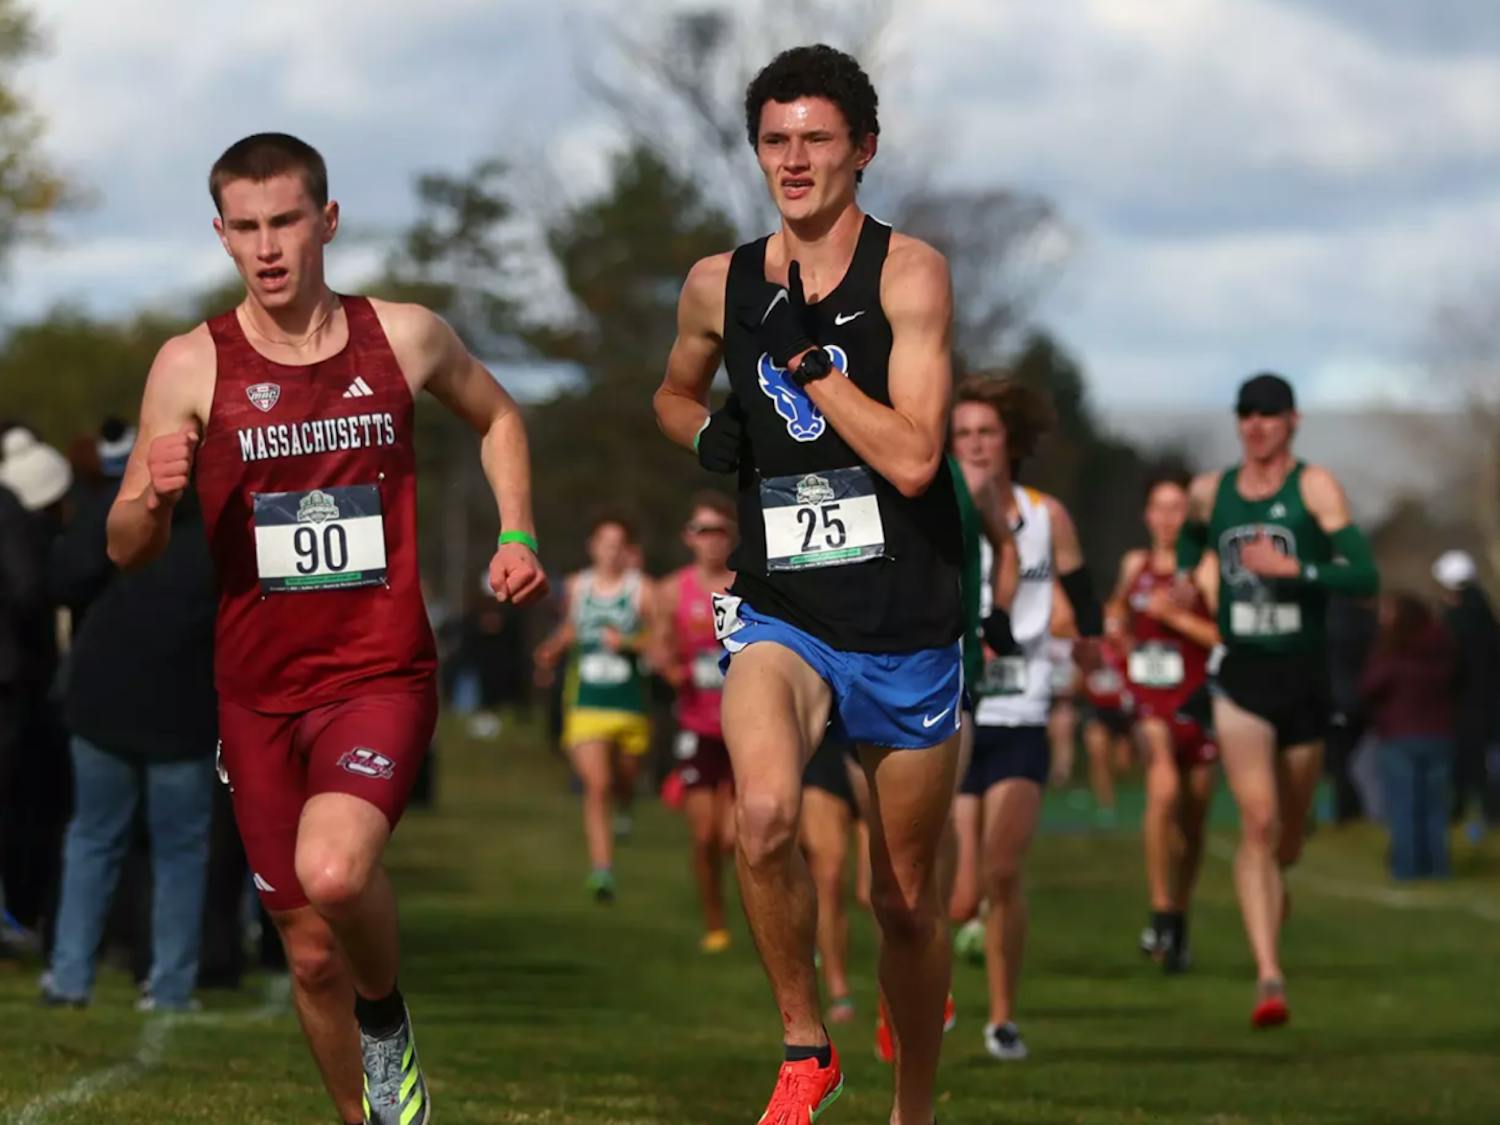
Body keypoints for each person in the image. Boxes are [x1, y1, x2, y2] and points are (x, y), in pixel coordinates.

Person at [106, 133, 548, 1125]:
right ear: (222, 235)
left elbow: (501, 417)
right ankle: (375, 1114)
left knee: (336, 872)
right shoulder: (189, 365)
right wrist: (154, 498)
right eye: (247, 228)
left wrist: (517, 531)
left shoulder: (403, 336)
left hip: (378, 672)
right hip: (256, 694)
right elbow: (126, 544)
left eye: (287, 223)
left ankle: (387, 1023)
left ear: (328, 222)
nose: (268, 249)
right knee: (307, 954)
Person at [654, 44, 964, 1123]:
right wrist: (709, 442)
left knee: (907, 904)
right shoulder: (718, 284)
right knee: (767, 816)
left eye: (816, 140)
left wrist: (815, 367)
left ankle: (911, 1106)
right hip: (781, 605)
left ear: (862, 151)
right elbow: (673, 393)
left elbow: (920, 459)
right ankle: (803, 1044)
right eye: (776, 140)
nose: (794, 160)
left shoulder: (909, 274)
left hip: (905, 618)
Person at [1178, 372, 1378, 1028]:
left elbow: (1363, 573)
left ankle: (1278, 874)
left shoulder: (1314, 488)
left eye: (1268, 415)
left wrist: (1297, 569)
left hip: (1303, 676)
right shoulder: (1213, 490)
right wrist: (1185, 579)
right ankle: (1270, 975)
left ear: (1292, 420)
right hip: (1241, 675)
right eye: (1246, 415)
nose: (1256, 425)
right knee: (1257, 821)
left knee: (1286, 840)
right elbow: (1190, 534)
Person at [946, 376, 1101, 1063]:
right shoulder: (933, 509)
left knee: (1003, 873)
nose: (976, 444)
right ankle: (937, 981)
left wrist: (1085, 647)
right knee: (954, 891)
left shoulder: (1045, 516)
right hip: (949, 708)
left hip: (1023, 705)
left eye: (987, 432)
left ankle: (1002, 1018)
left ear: (1009, 441)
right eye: (964, 434)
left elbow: (1086, 600)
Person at [44, 438, 219, 1012]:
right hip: (181, 706)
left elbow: (65, 579)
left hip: (105, 697)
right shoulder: (227, 524)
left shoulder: (120, 505)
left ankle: (70, 977)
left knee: (94, 839)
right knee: (178, 851)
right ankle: (167, 985)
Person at [1106, 471, 1220, 972]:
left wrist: (1173, 618)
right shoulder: (1136, 564)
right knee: (1165, 790)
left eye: (1178, 508)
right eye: (1160, 507)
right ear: (1147, 515)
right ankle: (1158, 911)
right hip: (1150, 700)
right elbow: (1117, 617)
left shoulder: (1206, 568)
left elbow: (1221, 638)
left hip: (1196, 701)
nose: (1169, 518)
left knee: (1193, 820)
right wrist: (1119, 632)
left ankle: (1178, 914)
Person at [534, 514, 654, 904]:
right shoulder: (577, 586)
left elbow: (662, 640)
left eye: (618, 544)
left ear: (628, 551)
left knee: (623, 780)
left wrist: (630, 642)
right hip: (586, 702)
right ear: (592, 546)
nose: (611, 551)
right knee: (597, 785)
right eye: (604, 542)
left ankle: (626, 807)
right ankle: (602, 870)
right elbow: (572, 627)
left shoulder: (642, 591)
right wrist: (552, 649)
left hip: (629, 705)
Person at [653, 493, 738, 949]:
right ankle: (715, 920)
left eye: (720, 530)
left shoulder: (748, 584)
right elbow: (659, 651)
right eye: (703, 531)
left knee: (734, 838)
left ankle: (762, 914)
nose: (711, 540)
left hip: (745, 724)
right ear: (689, 538)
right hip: (696, 724)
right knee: (705, 836)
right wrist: (675, 667)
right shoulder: (673, 590)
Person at [1361, 591, 1457, 879]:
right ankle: (1437, 866)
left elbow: (1370, 686)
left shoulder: (1394, 650)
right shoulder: (1443, 647)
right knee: (1435, 806)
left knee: (1404, 804)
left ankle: (1407, 867)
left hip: (1401, 734)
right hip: (1440, 733)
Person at [1431, 550, 1500, 832]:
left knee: (1469, 763)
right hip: (1490, 699)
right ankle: (1487, 812)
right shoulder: (1486, 614)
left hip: (1466, 702)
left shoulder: (1455, 621)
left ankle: (1468, 811)